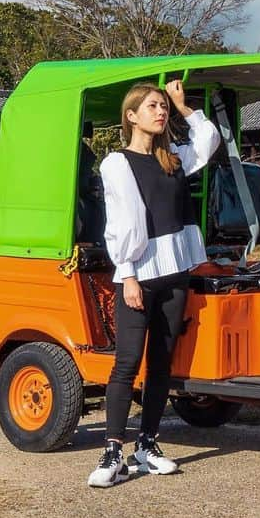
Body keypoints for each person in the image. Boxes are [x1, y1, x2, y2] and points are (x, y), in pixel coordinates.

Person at [88, 79, 220, 488]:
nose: (160, 112)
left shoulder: (173, 157)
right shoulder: (117, 163)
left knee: (162, 365)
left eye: (162, 106)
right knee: (127, 364)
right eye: (152, 106)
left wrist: (184, 107)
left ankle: (147, 445)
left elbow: (210, 138)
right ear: (131, 116)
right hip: (139, 275)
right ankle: (113, 452)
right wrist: (126, 274)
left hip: (175, 271)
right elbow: (120, 223)